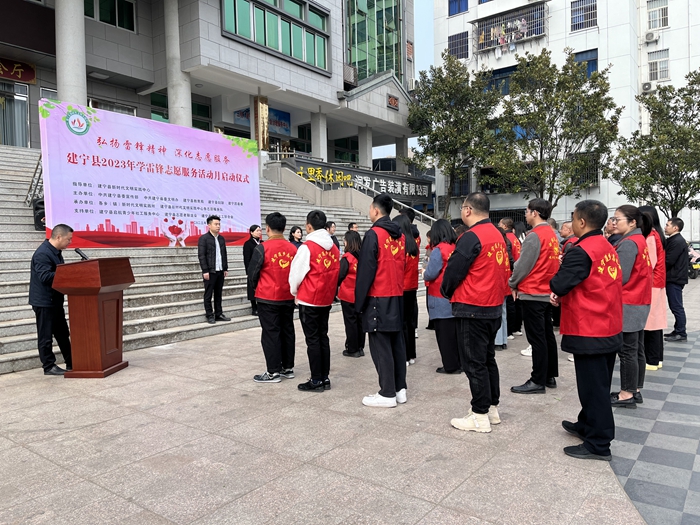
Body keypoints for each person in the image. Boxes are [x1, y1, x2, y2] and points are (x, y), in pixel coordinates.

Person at [550, 200, 623, 461]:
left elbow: (559, 283)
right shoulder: (606, 245)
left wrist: (559, 281)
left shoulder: (582, 251)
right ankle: (586, 424)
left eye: (573, 218)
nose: (571, 223)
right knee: (597, 384)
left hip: (590, 327)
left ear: (581, 221)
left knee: (594, 389)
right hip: (608, 324)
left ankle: (599, 443)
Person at [442, 193, 509, 433]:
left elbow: (454, 271)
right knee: (487, 359)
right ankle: (491, 408)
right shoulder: (498, 234)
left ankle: (479, 415)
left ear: (468, 210)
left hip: (473, 307)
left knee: (474, 363)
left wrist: (446, 291)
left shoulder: (471, 236)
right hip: (492, 306)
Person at [356, 193, 407, 408]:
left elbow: (366, 271)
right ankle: (399, 389)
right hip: (396, 294)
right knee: (396, 343)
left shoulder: (374, 234)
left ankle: (387, 393)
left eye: (370, 208)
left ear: (376, 210)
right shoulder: (400, 236)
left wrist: (359, 303)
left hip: (378, 295)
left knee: (380, 345)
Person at [509, 198, 560, 394]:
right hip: (546, 290)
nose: (525, 214)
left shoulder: (534, 236)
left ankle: (537, 380)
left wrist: (513, 283)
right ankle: (549, 375)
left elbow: (523, 265)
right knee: (546, 335)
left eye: (526, 211)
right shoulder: (551, 234)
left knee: (537, 338)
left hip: (533, 291)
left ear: (535, 213)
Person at [289, 210, 340, 392]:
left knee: (312, 340)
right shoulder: (334, 248)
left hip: (309, 298)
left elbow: (296, 274)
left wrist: (295, 292)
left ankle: (316, 379)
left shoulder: (307, 247)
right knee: (322, 337)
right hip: (325, 298)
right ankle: (324, 377)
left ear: (309, 226)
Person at [610, 205, 652, 408]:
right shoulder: (639, 239)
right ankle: (635, 389)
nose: (614, 222)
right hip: (639, 301)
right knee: (637, 349)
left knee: (628, 351)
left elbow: (620, 276)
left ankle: (626, 393)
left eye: (617, 219)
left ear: (633, 222)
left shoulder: (628, 243)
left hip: (629, 302)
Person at [248, 212, 297, 383]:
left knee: (271, 333)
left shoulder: (262, 248)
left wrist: (258, 288)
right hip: (288, 296)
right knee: (287, 331)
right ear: (284, 228)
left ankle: (273, 371)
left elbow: (252, 274)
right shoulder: (293, 249)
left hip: (267, 297)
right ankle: (287, 368)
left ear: (267, 228)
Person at [29, 224, 74, 375]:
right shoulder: (43, 253)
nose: (70, 242)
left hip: (55, 300)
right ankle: (48, 366)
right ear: (59, 237)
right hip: (44, 301)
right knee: (45, 335)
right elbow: (45, 276)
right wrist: (69, 273)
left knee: (62, 333)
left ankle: (71, 362)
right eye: (68, 239)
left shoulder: (56, 252)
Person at [424, 219, 460, 373]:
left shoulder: (439, 250)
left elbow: (431, 273)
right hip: (454, 295)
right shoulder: (455, 247)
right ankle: (459, 363)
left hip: (439, 295)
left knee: (444, 335)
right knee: (455, 334)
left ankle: (450, 366)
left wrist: (424, 272)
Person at [638, 206, 667, 370]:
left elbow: (649, 264)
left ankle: (652, 360)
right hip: (656, 283)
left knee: (650, 324)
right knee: (655, 323)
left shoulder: (650, 236)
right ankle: (656, 358)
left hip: (651, 284)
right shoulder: (657, 234)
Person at [393, 213, 419, 367]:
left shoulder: (401, 246)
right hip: (412, 287)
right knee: (409, 322)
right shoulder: (414, 245)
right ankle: (411, 354)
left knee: (401, 322)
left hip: (402, 287)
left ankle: (403, 355)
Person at [197, 215, 230, 324]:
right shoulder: (204, 239)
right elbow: (201, 256)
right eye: (216, 224)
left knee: (218, 293)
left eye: (219, 224)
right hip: (210, 271)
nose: (218, 226)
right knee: (208, 294)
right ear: (209, 225)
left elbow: (224, 254)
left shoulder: (221, 238)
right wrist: (205, 271)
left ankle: (218, 313)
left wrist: (225, 268)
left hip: (220, 271)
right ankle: (209, 315)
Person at [338, 230, 365, 358]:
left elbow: (340, 275)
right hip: (361, 294)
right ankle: (360, 347)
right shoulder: (363, 257)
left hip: (348, 294)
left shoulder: (347, 257)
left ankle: (352, 348)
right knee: (360, 321)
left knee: (351, 322)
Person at [664, 217, 688, 342]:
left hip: (675, 278)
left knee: (676, 306)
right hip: (674, 277)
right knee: (675, 306)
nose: (665, 227)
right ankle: (677, 329)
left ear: (675, 228)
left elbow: (669, 260)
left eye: (667, 225)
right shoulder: (674, 240)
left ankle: (681, 332)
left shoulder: (677, 241)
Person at [499, 217, 522, 338]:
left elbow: (509, 257)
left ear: (505, 226)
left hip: (511, 272)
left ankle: (510, 330)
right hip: (518, 271)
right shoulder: (515, 238)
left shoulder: (506, 239)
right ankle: (517, 328)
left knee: (509, 303)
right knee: (516, 301)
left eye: (500, 224)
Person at [243, 224, 262, 316]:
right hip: (252, 270)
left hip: (262, 269)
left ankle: (261, 307)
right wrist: (248, 271)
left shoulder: (262, 243)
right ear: (251, 232)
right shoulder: (248, 244)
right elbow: (246, 258)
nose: (259, 232)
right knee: (252, 289)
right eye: (257, 230)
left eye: (260, 230)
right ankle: (254, 308)